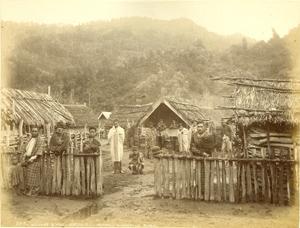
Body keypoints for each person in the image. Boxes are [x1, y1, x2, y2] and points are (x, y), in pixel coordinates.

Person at [21, 126, 44, 196]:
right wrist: (25, 155)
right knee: (28, 176)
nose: (34, 132)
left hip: (35, 160)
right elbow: (26, 149)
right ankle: (29, 191)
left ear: (38, 132)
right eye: (33, 131)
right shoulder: (30, 139)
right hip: (28, 159)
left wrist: (31, 159)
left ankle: (33, 192)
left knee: (33, 176)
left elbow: (39, 152)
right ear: (31, 132)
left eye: (35, 131)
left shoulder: (40, 140)